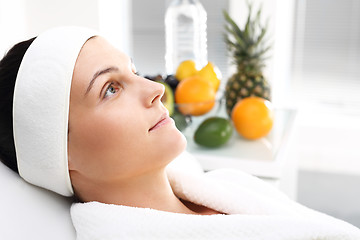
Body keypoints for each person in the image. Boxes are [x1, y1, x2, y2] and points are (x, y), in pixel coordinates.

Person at [1, 27, 360, 239]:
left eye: (134, 70)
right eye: (110, 88)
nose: (154, 88)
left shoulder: (230, 184)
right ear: (58, 154)